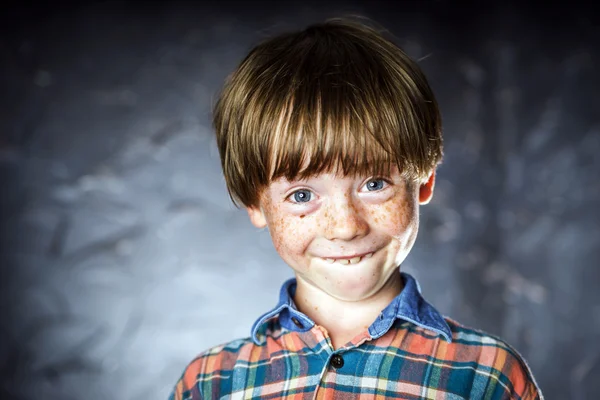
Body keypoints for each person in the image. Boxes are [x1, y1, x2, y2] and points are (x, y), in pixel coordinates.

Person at [169, 17, 543, 399]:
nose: (345, 227)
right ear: (255, 202)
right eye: (301, 195)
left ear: (424, 180)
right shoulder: (210, 383)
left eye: (374, 184)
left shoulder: (487, 376)